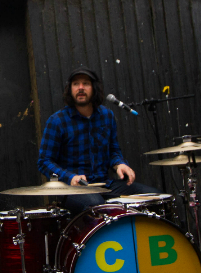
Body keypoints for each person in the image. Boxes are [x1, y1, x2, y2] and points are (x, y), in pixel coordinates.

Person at [37, 67, 159, 214]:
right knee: (97, 205)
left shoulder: (107, 116)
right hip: (73, 189)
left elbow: (113, 150)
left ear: (94, 88)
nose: (80, 88)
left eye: (85, 83)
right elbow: (44, 162)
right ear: (70, 89)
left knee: (153, 198)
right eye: (76, 84)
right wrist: (70, 177)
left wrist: (119, 164)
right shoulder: (57, 121)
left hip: (105, 185)